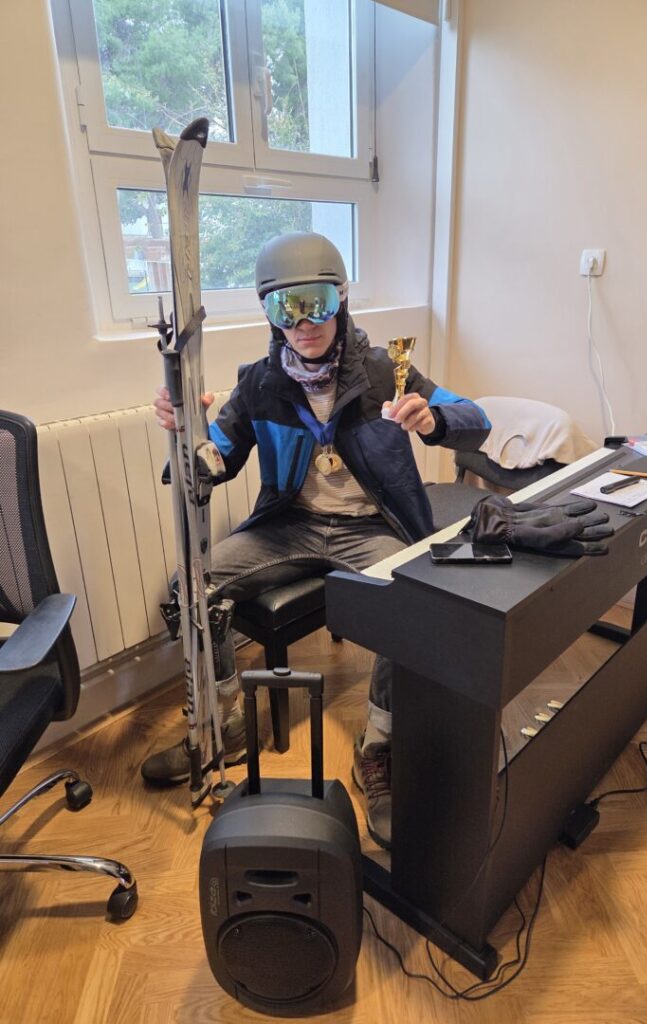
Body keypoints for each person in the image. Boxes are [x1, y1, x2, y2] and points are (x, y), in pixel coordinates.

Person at [140, 231, 490, 848]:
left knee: (410, 598)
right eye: (286, 307)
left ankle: (379, 744)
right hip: (291, 526)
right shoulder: (259, 383)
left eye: (317, 303)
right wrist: (185, 433)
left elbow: (476, 420)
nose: (303, 323)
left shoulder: (383, 371)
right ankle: (225, 722)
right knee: (188, 586)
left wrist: (433, 418)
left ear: (342, 299)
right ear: (268, 313)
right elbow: (211, 463)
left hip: (373, 527)